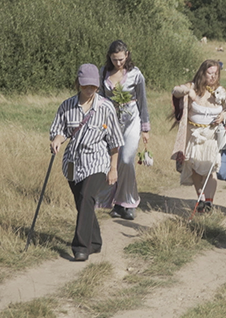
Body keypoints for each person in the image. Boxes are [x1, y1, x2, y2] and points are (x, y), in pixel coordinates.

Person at [49, 64, 125, 262]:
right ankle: (95, 241)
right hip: (73, 162)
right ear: (78, 84)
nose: (89, 90)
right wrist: (57, 139)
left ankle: (80, 246)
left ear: (98, 86)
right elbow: (60, 130)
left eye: (93, 86)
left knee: (86, 196)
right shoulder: (66, 106)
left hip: (97, 161)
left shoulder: (106, 108)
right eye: (85, 86)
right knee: (83, 202)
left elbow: (115, 142)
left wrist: (113, 168)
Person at [98, 40, 150, 220]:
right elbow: (100, 98)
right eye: (114, 60)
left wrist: (145, 128)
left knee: (127, 159)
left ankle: (131, 201)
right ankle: (119, 203)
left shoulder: (136, 74)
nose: (118, 63)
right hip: (111, 120)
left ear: (126, 55)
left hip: (131, 119)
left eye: (120, 59)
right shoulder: (103, 72)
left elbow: (143, 101)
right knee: (113, 161)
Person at [171, 60, 226, 214]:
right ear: (202, 72)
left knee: (211, 168)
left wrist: (224, 114)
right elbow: (175, 90)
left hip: (212, 136)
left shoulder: (220, 91)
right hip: (194, 135)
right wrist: (187, 92)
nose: (212, 76)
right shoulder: (192, 87)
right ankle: (201, 199)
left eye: (215, 73)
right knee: (195, 168)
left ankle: (210, 203)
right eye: (209, 73)